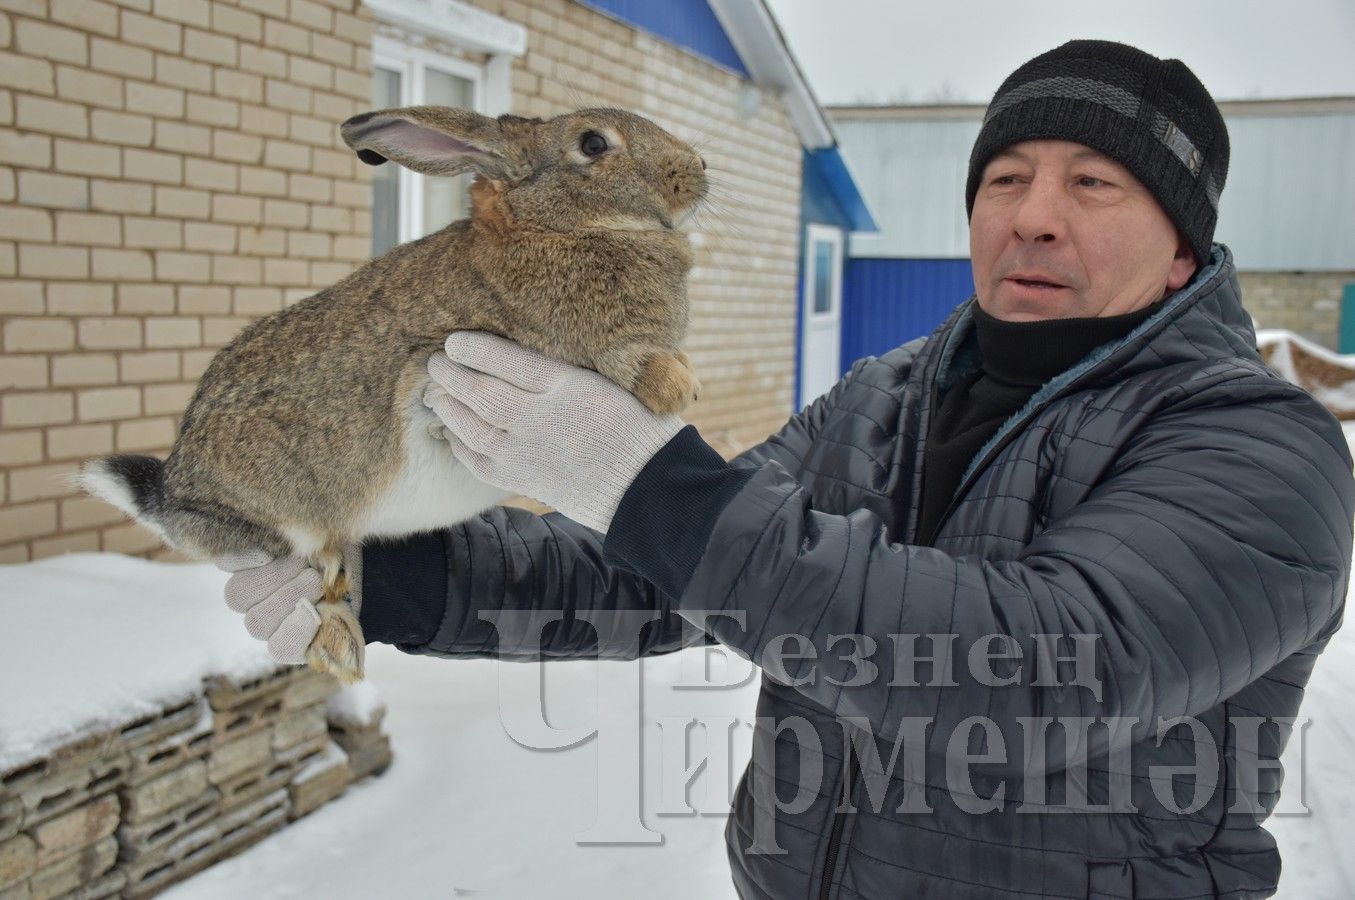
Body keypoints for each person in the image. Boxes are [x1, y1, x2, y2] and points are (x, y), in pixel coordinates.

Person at [219, 41, 1353, 899]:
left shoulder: (1258, 447)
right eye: (1003, 178)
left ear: (1180, 249)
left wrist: (647, 481)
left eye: (1093, 184)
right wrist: (394, 577)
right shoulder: (884, 398)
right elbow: (656, 577)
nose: (1032, 219)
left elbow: (1034, 673)